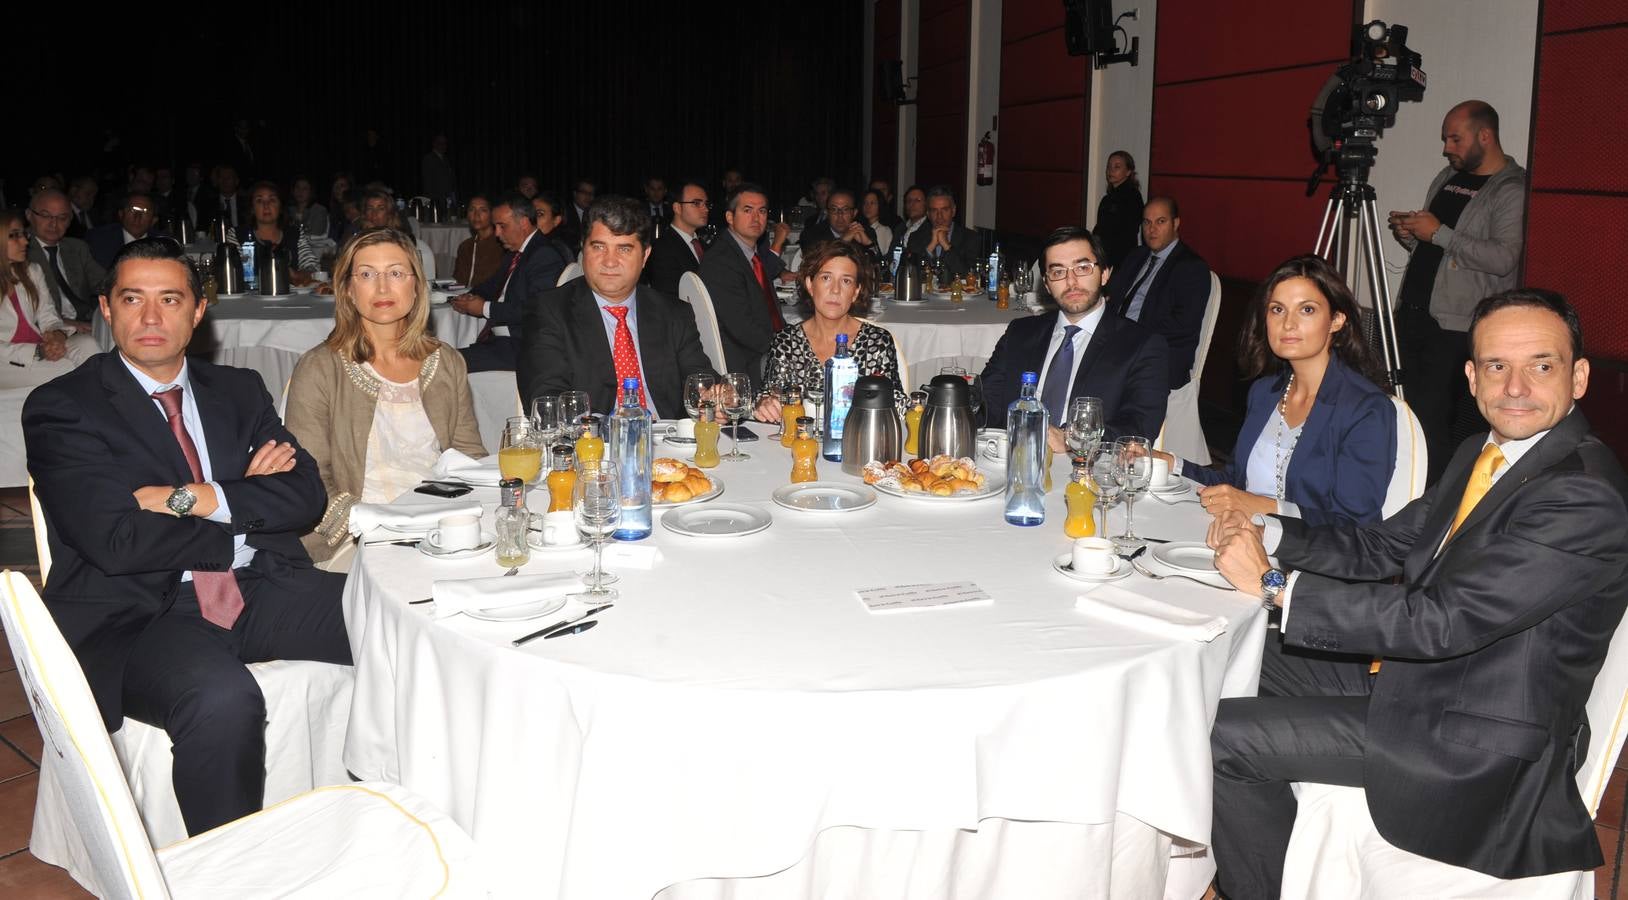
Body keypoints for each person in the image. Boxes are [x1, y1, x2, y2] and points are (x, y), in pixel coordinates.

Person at [1206, 288, 1628, 899]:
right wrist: (1265, 531)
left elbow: (1441, 622)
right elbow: (1382, 547)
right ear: (1472, 377)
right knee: (1234, 650)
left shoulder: (1581, 495)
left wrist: (1274, 587)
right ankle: (1267, 842)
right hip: (1423, 684)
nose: (1515, 387)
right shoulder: (1488, 452)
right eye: (1496, 366)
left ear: (1579, 376)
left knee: (1224, 739)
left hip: (1473, 742)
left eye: (1542, 365)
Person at [22, 237, 353, 836]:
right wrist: (238, 514)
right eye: (133, 299)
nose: (151, 318)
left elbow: (306, 496)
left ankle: (387, 815)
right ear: (106, 307)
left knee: (388, 619)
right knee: (223, 700)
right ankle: (227, 874)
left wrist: (193, 497)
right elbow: (115, 539)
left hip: (259, 586)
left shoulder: (239, 391)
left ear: (198, 311)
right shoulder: (63, 407)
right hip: (139, 616)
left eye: (170, 299)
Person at [285, 228, 486, 567]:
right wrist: (373, 525)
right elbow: (310, 478)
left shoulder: (446, 362)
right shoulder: (320, 368)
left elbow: (469, 456)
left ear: (416, 285)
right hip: (357, 540)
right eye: (366, 275)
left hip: (442, 528)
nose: (382, 287)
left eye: (395, 273)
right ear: (348, 289)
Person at [1152, 255, 1396, 528]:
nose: (1288, 323)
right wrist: (1172, 464)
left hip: (1307, 560)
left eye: (1307, 310)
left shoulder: (1366, 409)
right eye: (1277, 309)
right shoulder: (1265, 392)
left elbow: (1353, 526)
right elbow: (1235, 484)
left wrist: (1266, 507)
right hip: (1241, 535)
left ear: (1337, 320)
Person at [1388, 100, 1526, 484]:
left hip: (1454, 328)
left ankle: (1433, 508)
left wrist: (1437, 233)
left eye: (1455, 138)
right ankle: (1401, 492)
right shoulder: (1447, 176)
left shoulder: (1512, 188)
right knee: (1404, 416)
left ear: (1485, 136)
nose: (1447, 147)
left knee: (1436, 425)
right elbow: (1438, 248)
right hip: (1412, 314)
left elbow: (1503, 258)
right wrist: (1413, 237)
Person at [519, 196, 716, 418]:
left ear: (645, 256)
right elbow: (547, 398)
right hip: (591, 444)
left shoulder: (673, 313)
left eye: (623, 249)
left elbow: (701, 380)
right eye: (599, 247)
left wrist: (715, 398)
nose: (609, 262)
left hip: (668, 444)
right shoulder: (550, 311)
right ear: (583, 250)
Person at [980, 225, 1167, 443]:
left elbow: (1139, 426)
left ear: (1104, 274)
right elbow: (985, 405)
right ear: (1047, 285)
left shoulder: (1141, 346)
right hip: (1012, 463)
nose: (1071, 282)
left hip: (1089, 468)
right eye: (1058, 272)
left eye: (1082, 268)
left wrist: (1071, 438)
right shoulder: (1020, 334)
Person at [754, 239, 905, 420]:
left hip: (858, 443)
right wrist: (764, 404)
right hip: (798, 444)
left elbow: (896, 406)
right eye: (826, 278)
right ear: (810, 284)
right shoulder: (786, 342)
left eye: (846, 281)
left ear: (855, 292)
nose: (835, 290)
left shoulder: (877, 342)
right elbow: (768, 396)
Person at [451, 194, 570, 372]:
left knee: (446, 362)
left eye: (502, 226)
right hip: (504, 341)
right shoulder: (517, 252)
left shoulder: (544, 255)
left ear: (523, 223)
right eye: (495, 226)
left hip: (523, 347)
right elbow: (491, 286)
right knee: (442, 355)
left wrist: (484, 308)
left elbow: (535, 310)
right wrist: (469, 297)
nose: (497, 233)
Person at [1107, 196, 1212, 389]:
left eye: (1160, 222)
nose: (1151, 229)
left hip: (1159, 354)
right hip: (1119, 342)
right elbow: (1113, 300)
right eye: (1147, 222)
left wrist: (1129, 333)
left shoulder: (1191, 267)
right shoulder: (1136, 256)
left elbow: (1182, 325)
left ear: (1176, 223)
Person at [697, 182, 785, 378]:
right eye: (747, 210)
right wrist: (786, 347)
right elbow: (742, 328)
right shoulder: (720, 261)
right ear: (730, 217)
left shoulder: (749, 253)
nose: (756, 218)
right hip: (744, 363)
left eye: (762, 211)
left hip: (759, 349)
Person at [1, 211, 97, 388]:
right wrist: (37, 351)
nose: (25, 241)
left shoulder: (32, 271)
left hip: (41, 347)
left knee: (88, 345)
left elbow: (48, 316)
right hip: (6, 360)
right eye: (14, 235)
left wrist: (57, 335)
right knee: (73, 372)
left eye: (23, 234)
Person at [26, 189, 104, 323]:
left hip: (86, 320)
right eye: (46, 216)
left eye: (62, 218)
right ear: (29, 215)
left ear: (70, 221)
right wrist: (63, 323)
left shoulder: (76, 247)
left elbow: (103, 283)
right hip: (46, 326)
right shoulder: (20, 250)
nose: (54, 224)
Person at [643, 181, 709, 298]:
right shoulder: (662, 248)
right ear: (677, 208)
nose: (705, 209)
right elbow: (668, 299)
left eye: (706, 204)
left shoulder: (704, 246)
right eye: (696, 203)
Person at [245, 182, 319, 282]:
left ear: (280, 207)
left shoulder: (294, 234)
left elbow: (313, 268)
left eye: (272, 200)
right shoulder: (239, 235)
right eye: (259, 201)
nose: (266, 205)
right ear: (252, 208)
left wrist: (297, 275)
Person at [903, 185, 979, 276]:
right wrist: (930, 248)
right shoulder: (916, 236)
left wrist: (947, 246)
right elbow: (910, 273)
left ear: (953, 211)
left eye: (945, 210)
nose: (939, 216)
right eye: (934, 210)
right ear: (928, 214)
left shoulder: (970, 237)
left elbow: (969, 276)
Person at [799, 189, 882, 261]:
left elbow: (880, 269)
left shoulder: (866, 232)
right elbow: (815, 264)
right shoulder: (810, 235)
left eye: (845, 210)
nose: (840, 215)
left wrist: (868, 244)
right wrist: (843, 241)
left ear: (854, 213)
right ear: (827, 213)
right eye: (834, 209)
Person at [1092, 150, 1143, 269]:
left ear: (1128, 172)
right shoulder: (1108, 198)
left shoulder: (1133, 197)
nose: (1111, 170)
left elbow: (1127, 230)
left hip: (1121, 258)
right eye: (1109, 166)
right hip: (1105, 255)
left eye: (1117, 167)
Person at [86, 192, 158, 269]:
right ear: (121, 214)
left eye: (145, 212)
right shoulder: (97, 239)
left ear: (154, 220)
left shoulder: (165, 244)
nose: (137, 217)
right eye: (132, 210)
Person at [452, 194, 502, 288]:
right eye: (472, 210)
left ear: (492, 214)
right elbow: (459, 281)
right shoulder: (465, 246)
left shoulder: (503, 245)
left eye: (483, 210)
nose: (476, 215)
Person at [196, 164, 250, 235]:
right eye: (221, 177)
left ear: (236, 181)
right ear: (217, 181)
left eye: (229, 178)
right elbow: (202, 229)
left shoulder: (247, 203)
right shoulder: (208, 205)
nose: (225, 181)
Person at [289, 176, 330, 240]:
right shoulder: (289, 210)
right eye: (297, 187)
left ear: (311, 192)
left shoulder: (319, 210)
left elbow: (316, 233)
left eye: (304, 188)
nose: (300, 191)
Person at [419, 133, 456, 203]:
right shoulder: (428, 159)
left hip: (447, 198)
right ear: (435, 144)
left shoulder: (446, 159)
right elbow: (428, 183)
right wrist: (432, 200)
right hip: (435, 199)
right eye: (441, 143)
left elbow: (450, 180)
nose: (444, 146)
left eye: (445, 143)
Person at [860, 188, 895, 256]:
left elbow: (881, 255)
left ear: (880, 205)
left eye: (872, 203)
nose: (868, 206)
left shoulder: (884, 230)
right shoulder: (860, 228)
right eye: (865, 203)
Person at [896, 184, 928, 249]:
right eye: (909, 201)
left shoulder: (930, 228)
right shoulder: (900, 228)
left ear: (926, 204)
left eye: (917, 200)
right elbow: (890, 256)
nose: (912, 204)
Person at [326, 172, 354, 241]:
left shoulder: (358, 210)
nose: (338, 189)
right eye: (335, 186)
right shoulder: (334, 212)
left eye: (342, 185)